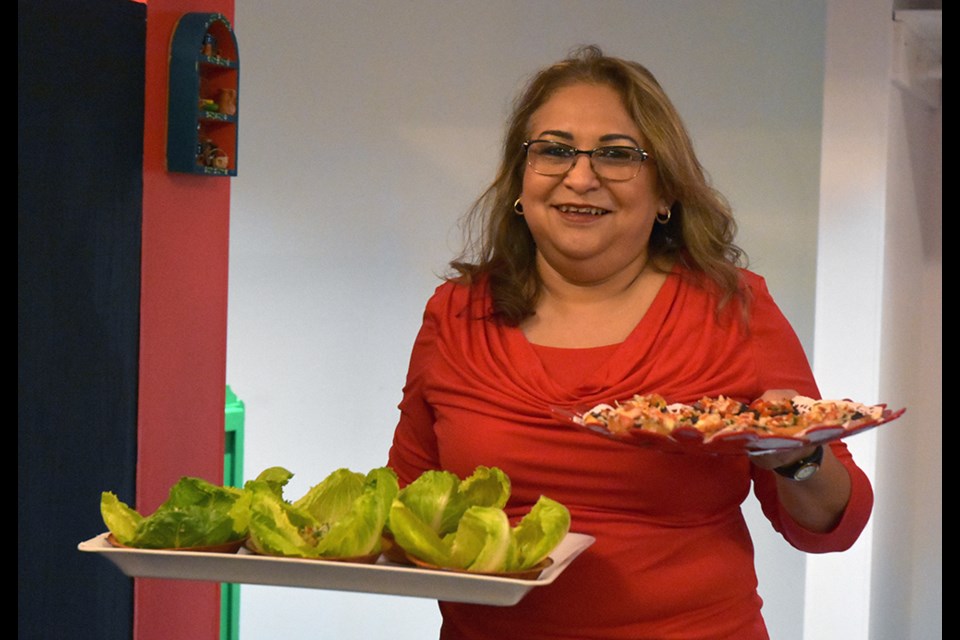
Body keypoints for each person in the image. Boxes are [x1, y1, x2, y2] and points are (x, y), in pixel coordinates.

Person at [387, 45, 872, 640]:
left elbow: (832, 525)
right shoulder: (454, 314)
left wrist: (799, 459)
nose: (581, 177)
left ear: (665, 192)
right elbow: (410, 504)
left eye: (617, 155)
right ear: (521, 179)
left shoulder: (733, 310)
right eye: (555, 150)